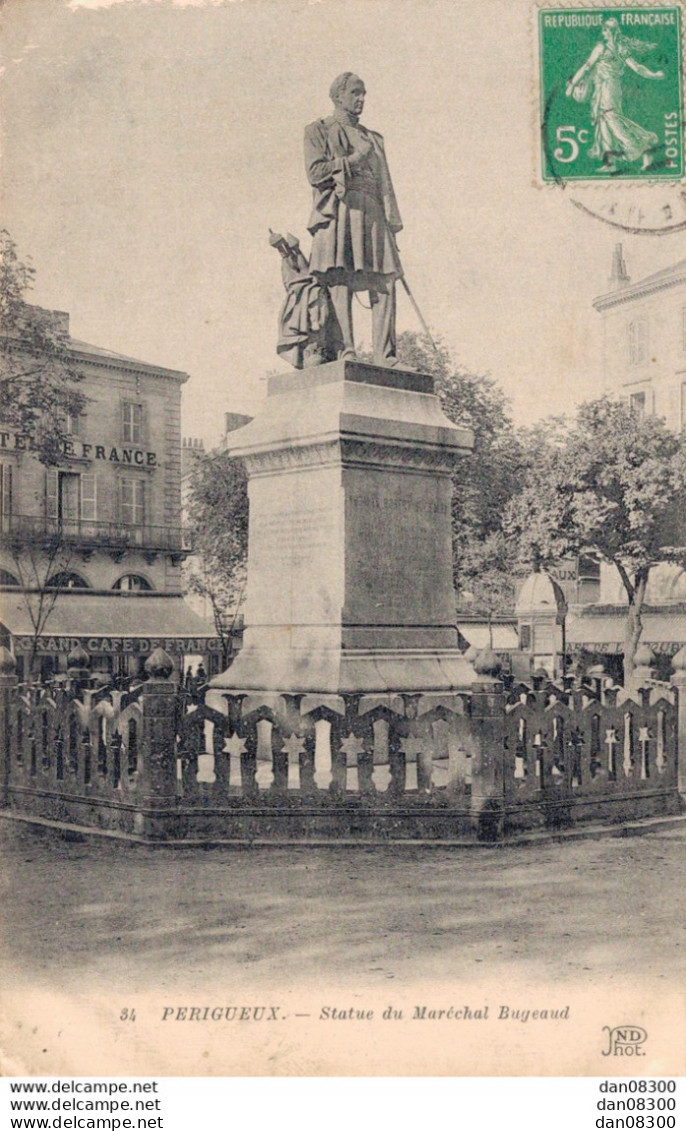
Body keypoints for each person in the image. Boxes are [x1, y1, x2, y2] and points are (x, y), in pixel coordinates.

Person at [304, 73, 403, 364]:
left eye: (364, 93)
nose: (361, 99)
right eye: (355, 93)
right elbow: (316, 173)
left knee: (385, 281)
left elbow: (387, 185)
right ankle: (345, 349)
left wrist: (392, 226)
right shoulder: (318, 129)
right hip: (340, 209)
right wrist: (354, 160)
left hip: (373, 211)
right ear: (338, 96)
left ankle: (385, 355)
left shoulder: (374, 138)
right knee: (340, 276)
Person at [565, 18, 665, 172]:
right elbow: (587, 67)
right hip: (604, 87)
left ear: (612, 31)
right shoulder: (608, 48)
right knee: (605, 121)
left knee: (611, 118)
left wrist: (654, 75)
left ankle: (639, 143)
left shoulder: (617, 49)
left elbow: (637, 68)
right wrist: (572, 84)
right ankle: (610, 162)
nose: (604, 33)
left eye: (606, 30)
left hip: (609, 88)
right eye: (604, 30)